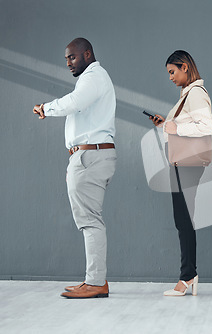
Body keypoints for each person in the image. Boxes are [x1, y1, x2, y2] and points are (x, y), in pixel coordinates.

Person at [33, 38, 117, 298]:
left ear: (87, 54)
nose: (68, 62)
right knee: (90, 220)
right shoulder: (93, 78)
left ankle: (95, 282)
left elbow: (74, 102)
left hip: (91, 155)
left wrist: (46, 108)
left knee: (90, 221)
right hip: (90, 155)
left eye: (72, 57)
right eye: (66, 58)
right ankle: (93, 280)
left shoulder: (94, 76)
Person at [150, 50, 212, 296]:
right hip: (182, 163)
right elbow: (182, 128)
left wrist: (175, 127)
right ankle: (189, 275)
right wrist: (166, 126)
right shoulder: (187, 96)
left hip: (188, 164)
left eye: (172, 71)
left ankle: (187, 276)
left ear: (185, 67)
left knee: (184, 220)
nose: (170, 77)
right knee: (183, 220)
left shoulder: (196, 93)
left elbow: (207, 125)